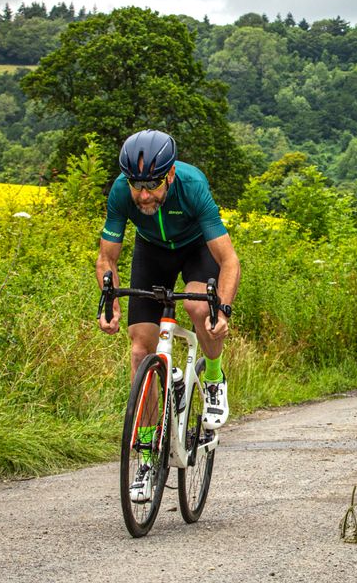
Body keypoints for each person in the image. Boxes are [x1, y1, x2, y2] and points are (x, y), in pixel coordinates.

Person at [94, 130, 240, 502]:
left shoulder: (191, 186)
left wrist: (220, 309)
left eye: (152, 185)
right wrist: (108, 299)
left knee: (195, 304)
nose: (143, 195)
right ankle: (144, 456)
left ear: (170, 175)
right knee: (140, 351)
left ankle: (213, 378)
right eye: (136, 185)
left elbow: (228, 261)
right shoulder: (120, 192)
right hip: (152, 253)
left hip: (195, 249)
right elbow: (107, 258)